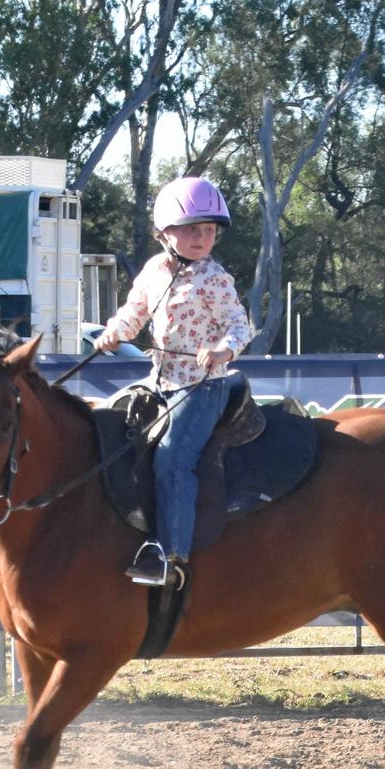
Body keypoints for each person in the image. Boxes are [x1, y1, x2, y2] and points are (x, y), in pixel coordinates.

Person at [90, 175, 254, 586]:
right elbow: (135, 311)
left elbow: (240, 325)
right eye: (193, 229)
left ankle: (171, 555)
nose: (203, 238)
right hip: (159, 379)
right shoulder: (152, 271)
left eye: (210, 231)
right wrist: (114, 333)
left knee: (173, 460)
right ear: (165, 232)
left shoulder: (215, 279)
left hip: (203, 385)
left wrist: (223, 351)